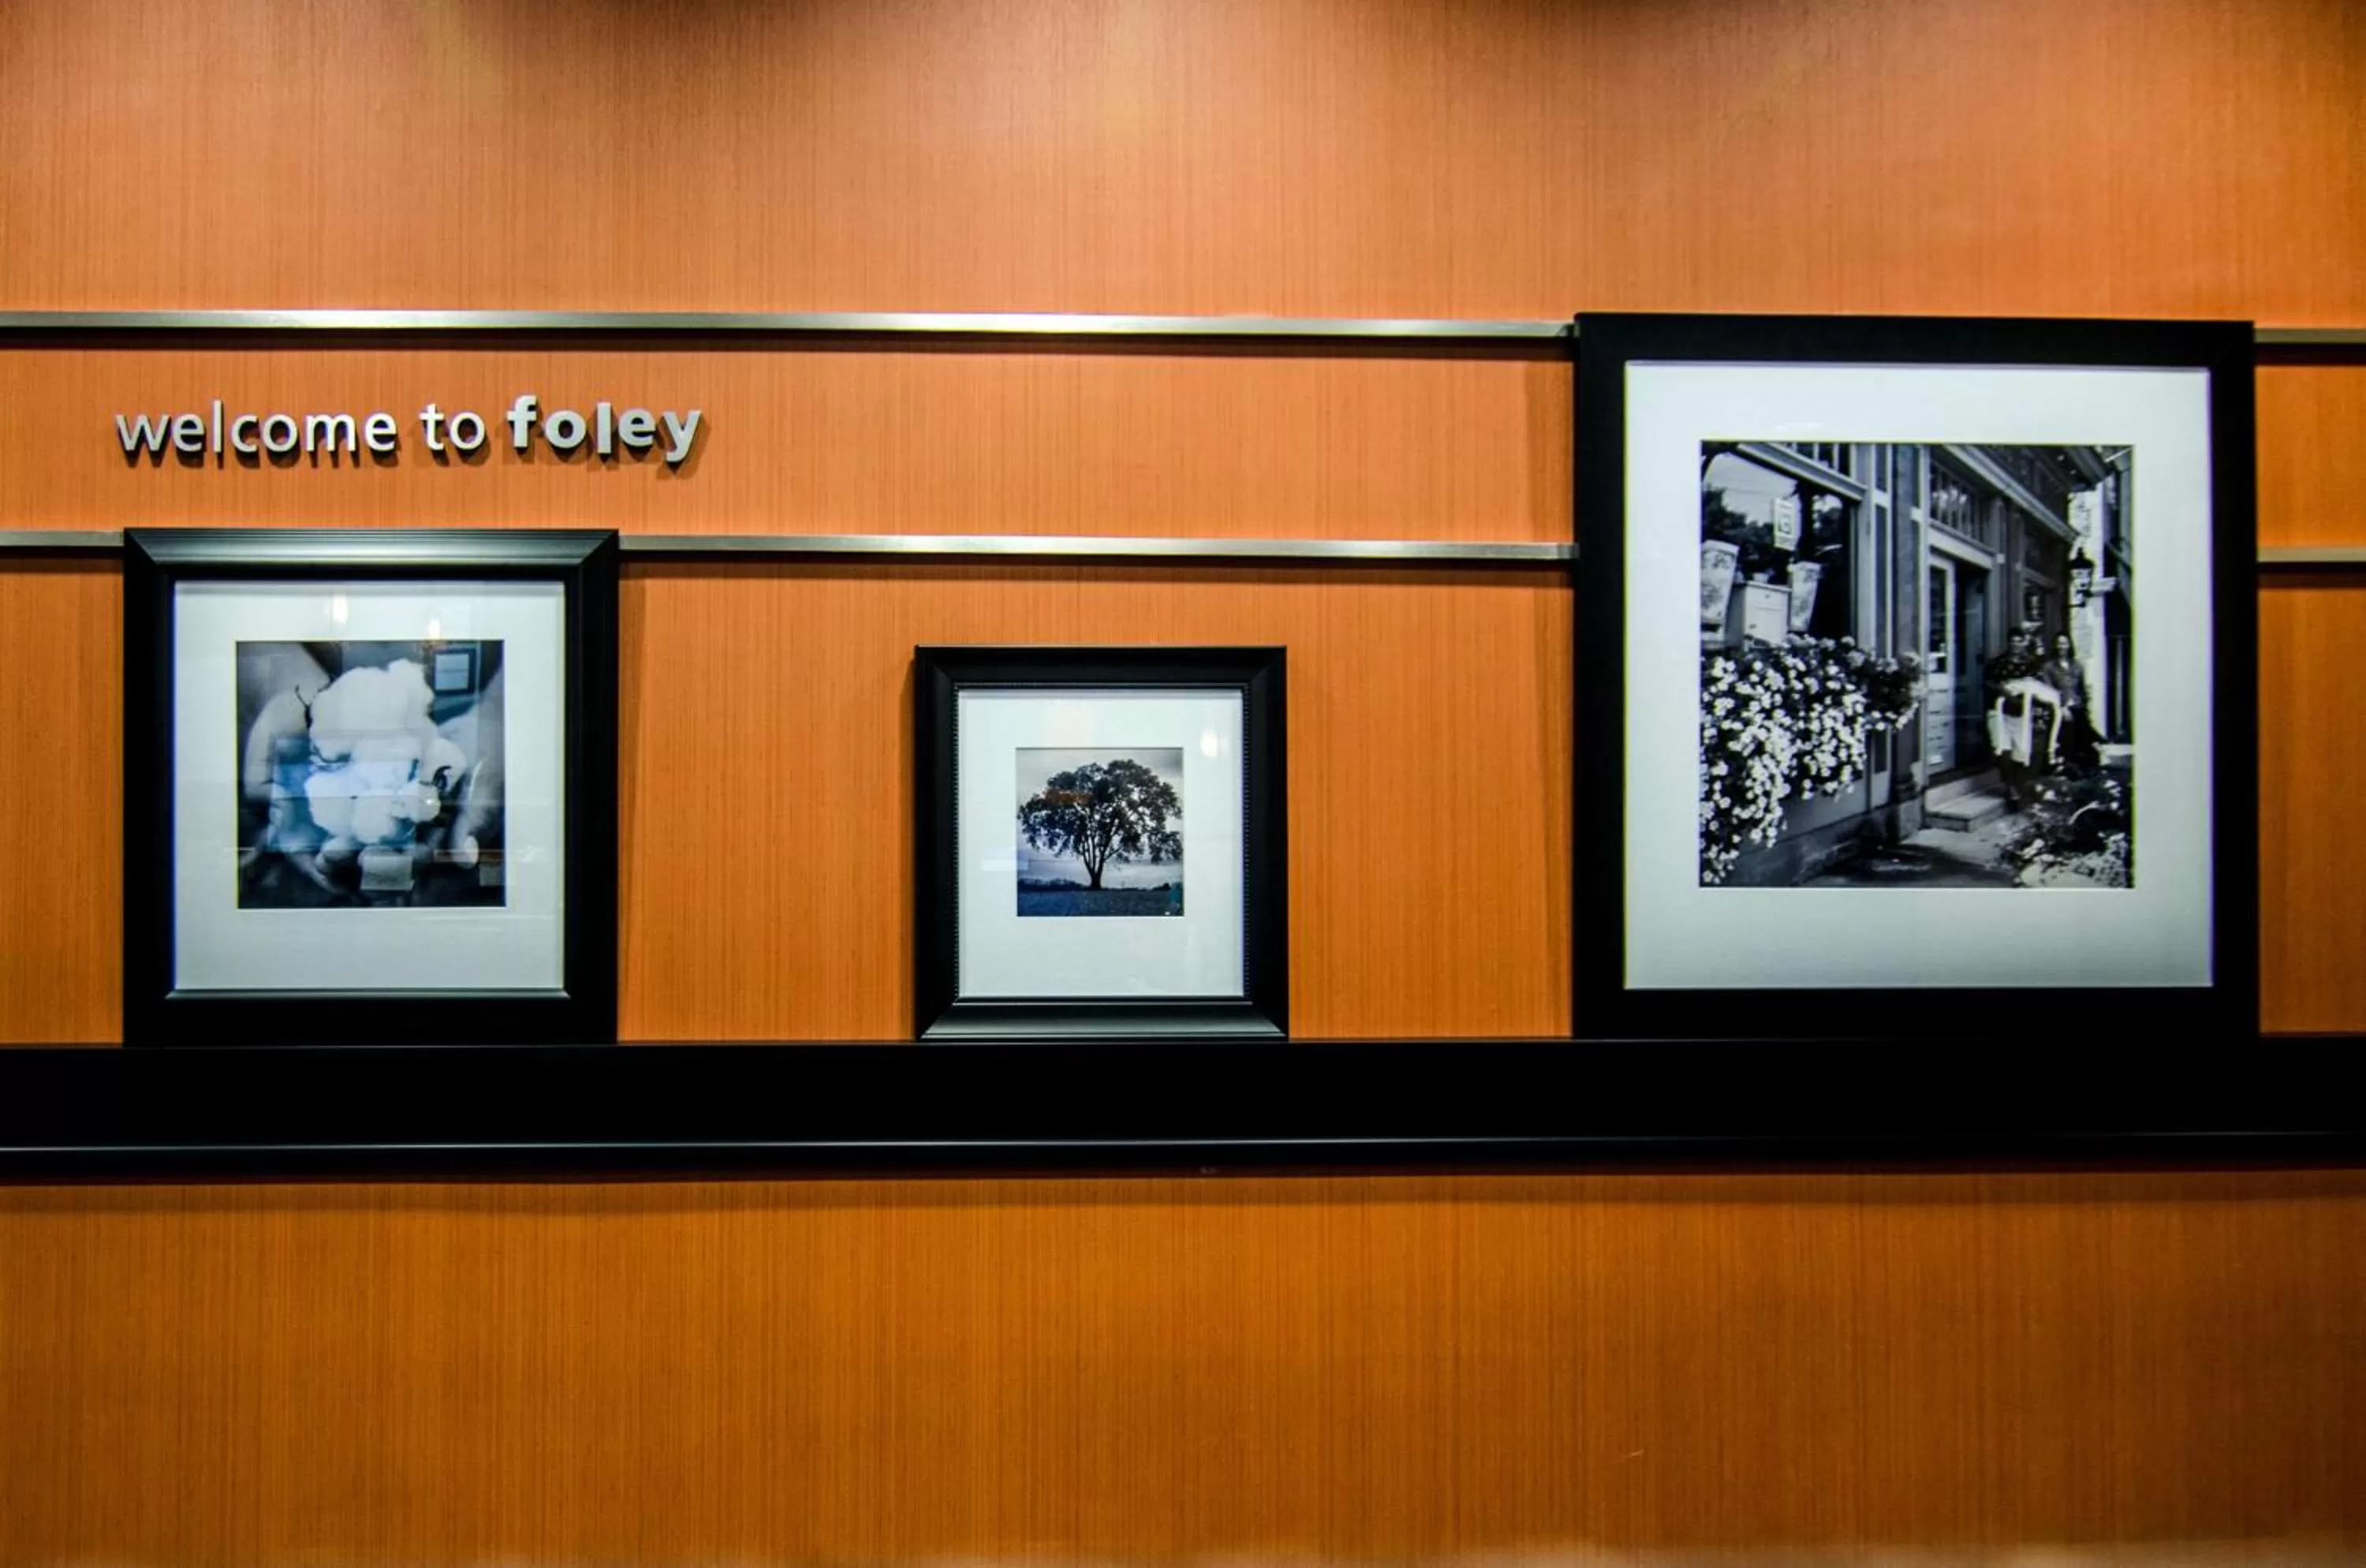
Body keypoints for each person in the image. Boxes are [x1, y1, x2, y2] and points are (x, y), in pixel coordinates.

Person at [2043, 633, 2098, 768]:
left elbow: (2083, 690)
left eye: (2065, 643)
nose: (2062, 647)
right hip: (2060, 710)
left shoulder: (2077, 666)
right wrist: (2062, 707)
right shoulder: (2049, 667)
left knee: (2085, 739)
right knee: (2068, 738)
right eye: (2059, 644)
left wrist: (2085, 706)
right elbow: (2049, 691)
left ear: (2069, 645)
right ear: (2055, 646)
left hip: (2078, 708)